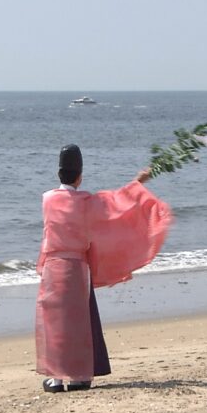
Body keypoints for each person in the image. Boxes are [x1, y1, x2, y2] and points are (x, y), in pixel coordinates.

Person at [35, 144, 172, 392]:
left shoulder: (47, 199)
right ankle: (78, 377)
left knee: (53, 320)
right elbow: (116, 204)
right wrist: (138, 182)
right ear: (80, 176)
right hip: (76, 266)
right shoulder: (86, 201)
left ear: (59, 174)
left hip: (52, 265)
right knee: (77, 322)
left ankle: (55, 379)